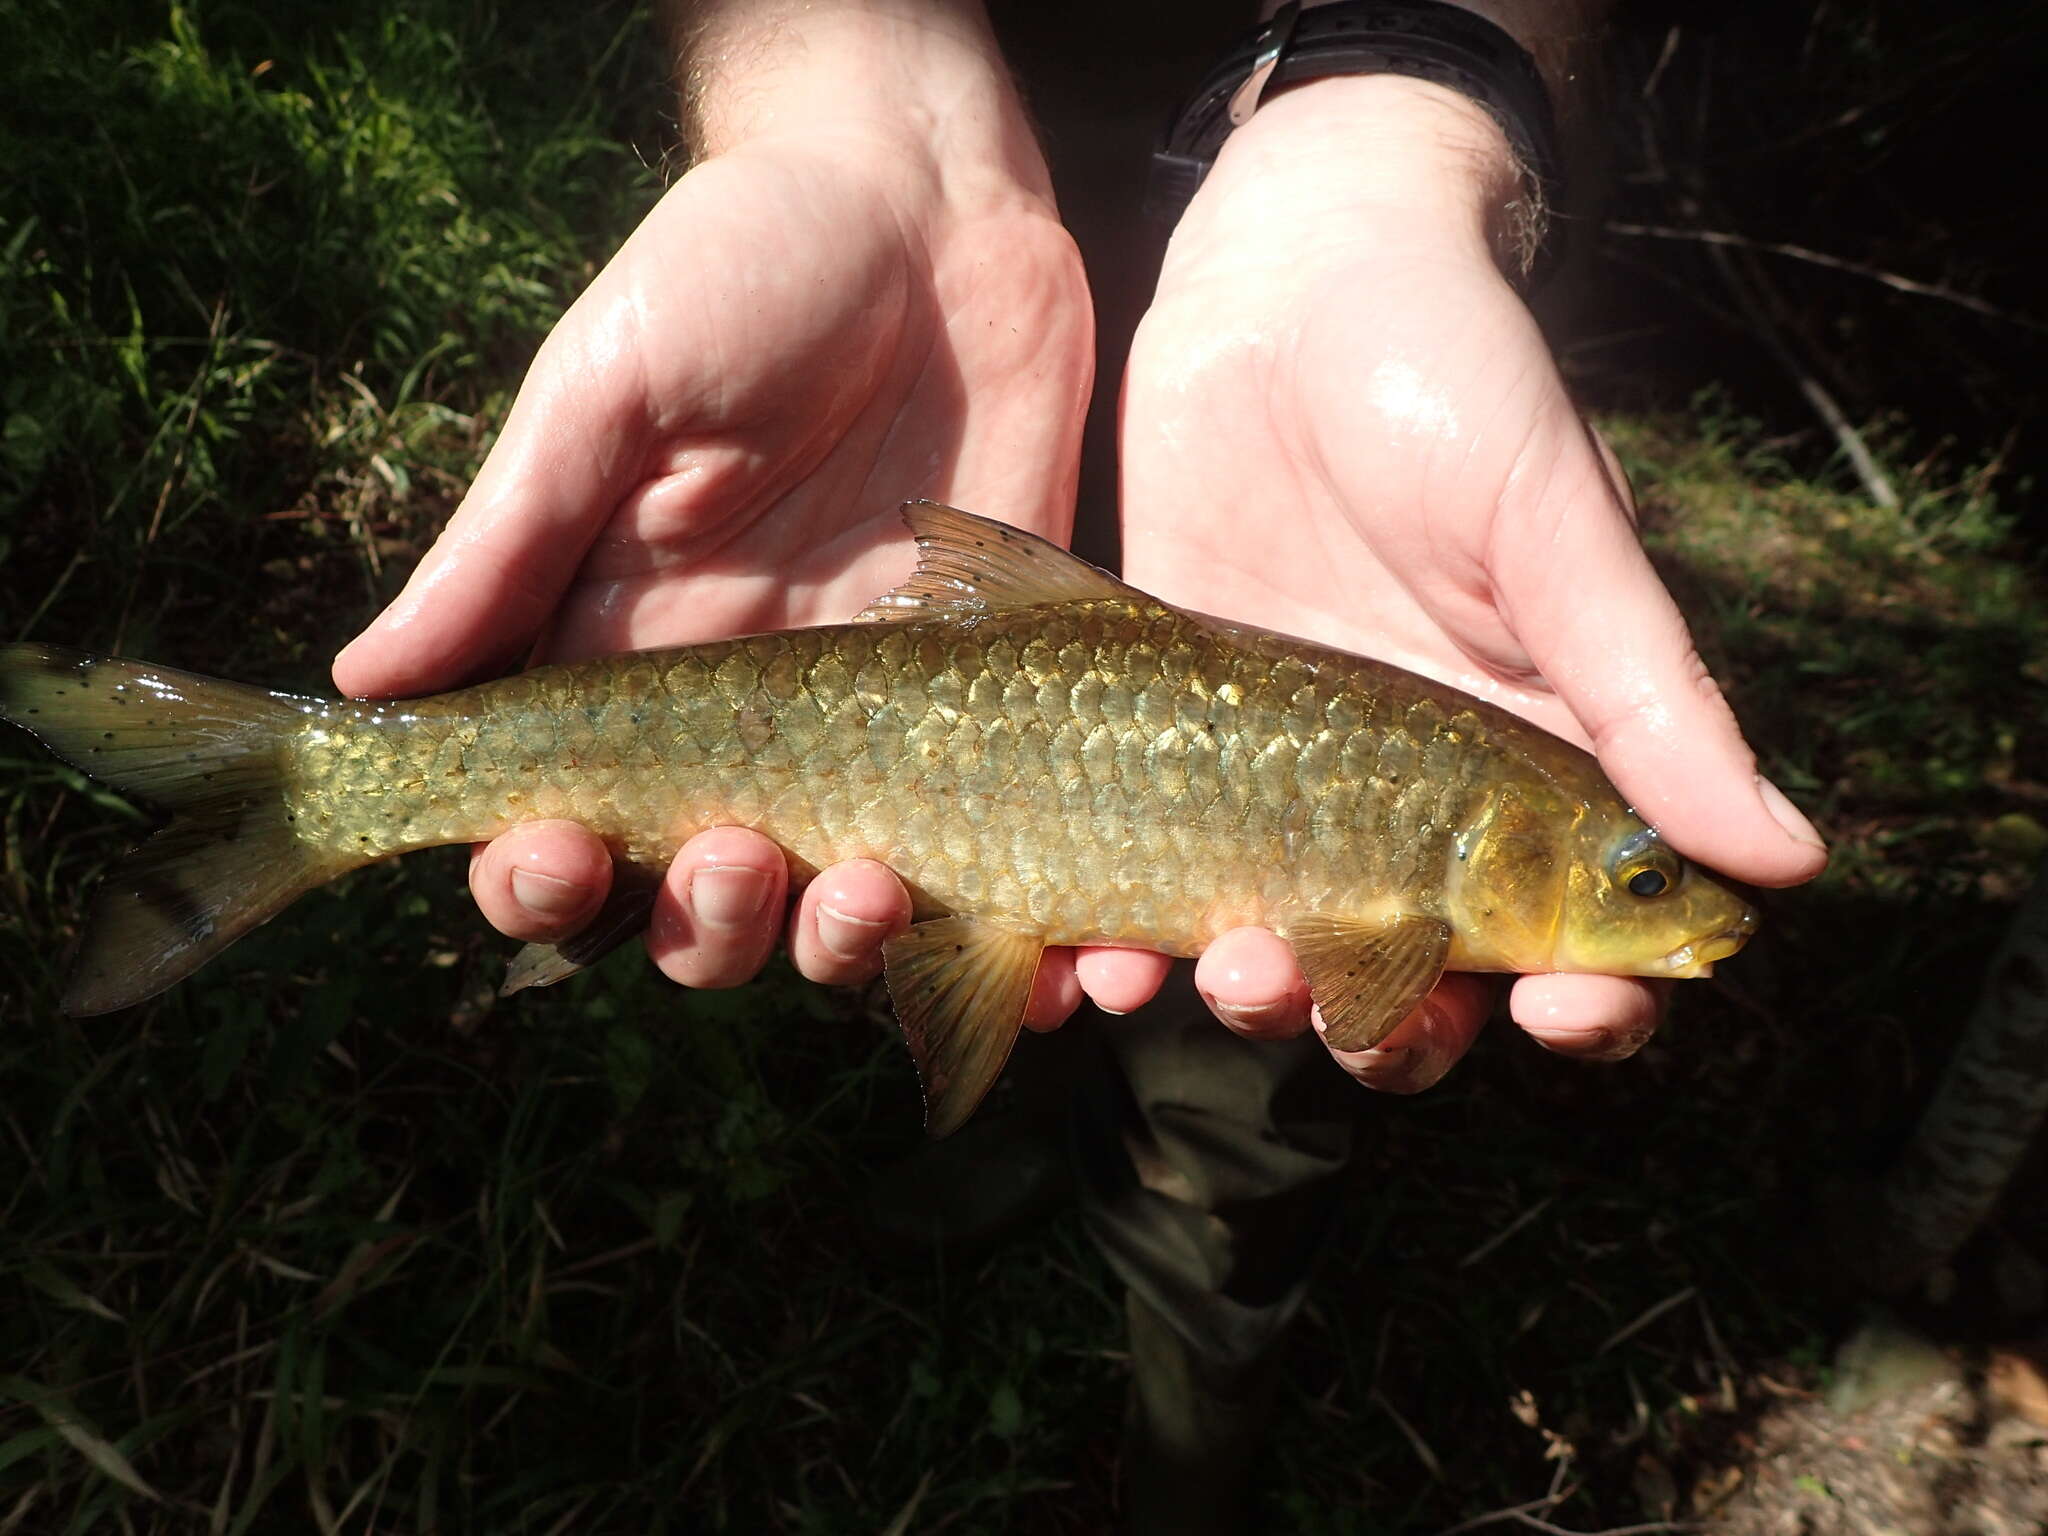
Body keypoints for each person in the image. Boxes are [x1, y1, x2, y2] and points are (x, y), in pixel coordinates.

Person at [331, 1, 1828, 1525]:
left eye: (1637, 880)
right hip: (948, 327)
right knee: (1014, 952)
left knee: (1249, 1066)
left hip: (1291, 324)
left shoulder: (1449, 826)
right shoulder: (1444, 866)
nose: (1674, 902)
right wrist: (849, 95)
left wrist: (1405, 117)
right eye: (1638, 880)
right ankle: (1007, 1152)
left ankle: (1183, 1418)